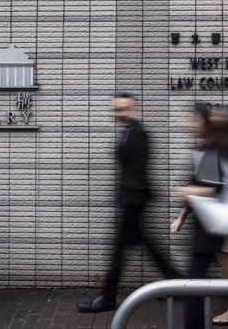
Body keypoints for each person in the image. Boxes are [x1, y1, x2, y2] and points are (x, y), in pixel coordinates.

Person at [77, 92, 181, 313]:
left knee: (119, 251)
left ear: (134, 109)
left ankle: (107, 297)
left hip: (134, 200)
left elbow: (137, 170)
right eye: (116, 109)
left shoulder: (139, 134)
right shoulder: (126, 132)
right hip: (132, 198)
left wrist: (128, 201)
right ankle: (177, 282)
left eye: (124, 109)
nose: (120, 113)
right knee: (145, 245)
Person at [172, 103, 228, 327]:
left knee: (198, 276)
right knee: (226, 262)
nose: (187, 123)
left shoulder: (218, 147)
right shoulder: (206, 147)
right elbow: (203, 183)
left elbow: (216, 187)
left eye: (193, 119)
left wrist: (189, 191)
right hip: (211, 223)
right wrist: (182, 217)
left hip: (215, 224)